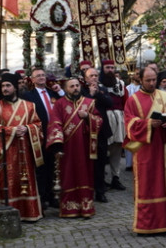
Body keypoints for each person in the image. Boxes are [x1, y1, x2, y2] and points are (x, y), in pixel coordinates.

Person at [124, 66, 166, 235]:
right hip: (144, 150)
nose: (151, 83)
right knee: (147, 185)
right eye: (148, 80)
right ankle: (146, 225)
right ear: (140, 79)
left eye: (154, 79)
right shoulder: (133, 100)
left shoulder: (164, 96)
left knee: (164, 184)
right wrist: (149, 124)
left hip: (162, 148)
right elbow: (129, 124)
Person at [0, 73, 44, 222]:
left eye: (8, 86)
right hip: (6, 152)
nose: (5, 89)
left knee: (26, 181)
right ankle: (8, 215)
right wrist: (11, 130)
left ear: (15, 87)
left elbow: (38, 125)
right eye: (3, 86)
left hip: (25, 150)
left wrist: (27, 128)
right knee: (7, 182)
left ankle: (29, 213)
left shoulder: (29, 106)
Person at [46, 77, 103, 219]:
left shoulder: (89, 103)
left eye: (77, 85)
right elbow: (54, 123)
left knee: (85, 174)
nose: (75, 88)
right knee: (69, 175)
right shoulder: (59, 104)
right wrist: (57, 143)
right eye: (72, 86)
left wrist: (88, 117)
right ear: (65, 88)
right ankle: (69, 208)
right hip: (68, 148)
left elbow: (99, 120)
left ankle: (86, 207)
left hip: (85, 147)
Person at [22, 67, 61, 209]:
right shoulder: (28, 96)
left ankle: (53, 197)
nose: (41, 77)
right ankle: (42, 197)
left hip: (54, 135)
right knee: (41, 168)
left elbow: (64, 105)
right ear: (32, 79)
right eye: (38, 76)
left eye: (43, 75)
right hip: (38, 135)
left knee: (54, 167)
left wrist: (60, 91)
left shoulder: (53, 94)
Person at [83, 66, 113, 203]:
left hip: (101, 131)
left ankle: (100, 191)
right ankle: (87, 190)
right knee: (87, 162)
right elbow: (82, 107)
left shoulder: (103, 89)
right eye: (91, 76)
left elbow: (109, 103)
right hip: (86, 131)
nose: (94, 78)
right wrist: (90, 94)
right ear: (85, 78)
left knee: (101, 162)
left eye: (95, 75)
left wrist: (98, 93)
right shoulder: (81, 90)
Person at [100, 60, 127, 191]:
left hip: (119, 119)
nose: (110, 70)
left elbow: (125, 101)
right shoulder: (98, 83)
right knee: (103, 148)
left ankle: (115, 177)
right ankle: (102, 179)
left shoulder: (121, 84)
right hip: (104, 119)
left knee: (117, 147)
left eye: (112, 67)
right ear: (102, 68)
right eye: (107, 67)